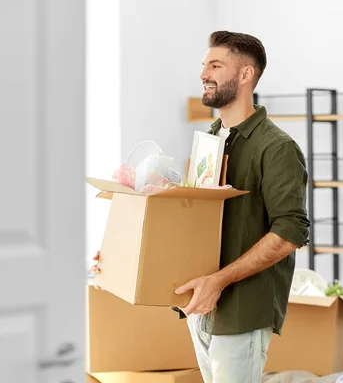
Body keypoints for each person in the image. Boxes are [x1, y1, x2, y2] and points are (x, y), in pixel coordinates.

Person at [91, 30, 310, 383]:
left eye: (215, 65)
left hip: (241, 310)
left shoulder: (277, 148)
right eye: (204, 65)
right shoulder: (210, 141)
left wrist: (219, 281)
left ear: (245, 75)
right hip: (200, 306)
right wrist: (120, 257)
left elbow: (289, 232)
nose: (203, 73)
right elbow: (189, 224)